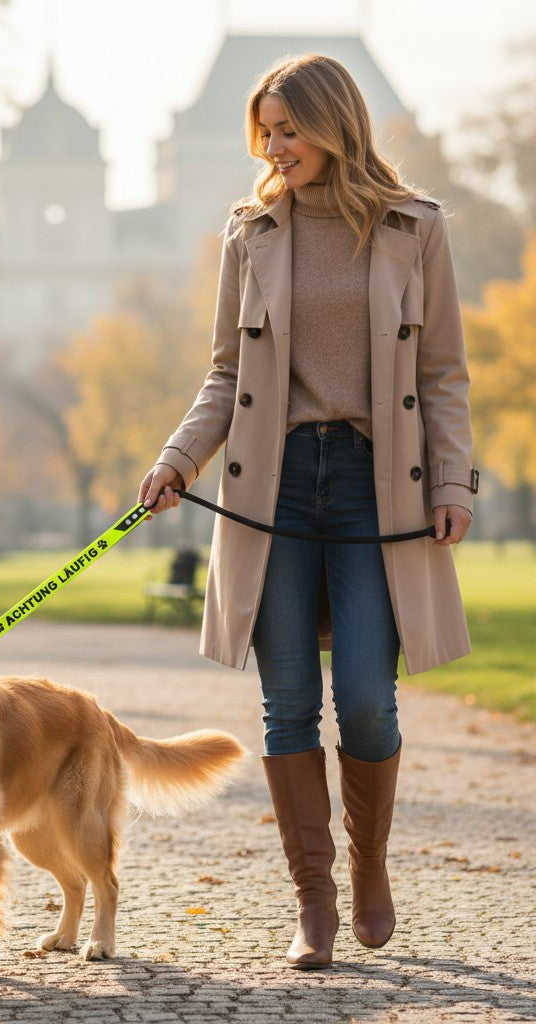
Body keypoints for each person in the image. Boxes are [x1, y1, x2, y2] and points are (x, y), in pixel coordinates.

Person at [138, 54, 477, 970]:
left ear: (335, 125)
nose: (275, 147)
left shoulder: (417, 229)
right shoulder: (249, 235)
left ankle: (370, 865)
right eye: (267, 132)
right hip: (272, 488)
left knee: (367, 699)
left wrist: (454, 483)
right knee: (288, 701)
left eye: (291, 129)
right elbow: (225, 372)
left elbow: (443, 372)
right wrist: (177, 460)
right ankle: (314, 901)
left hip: (380, 487)